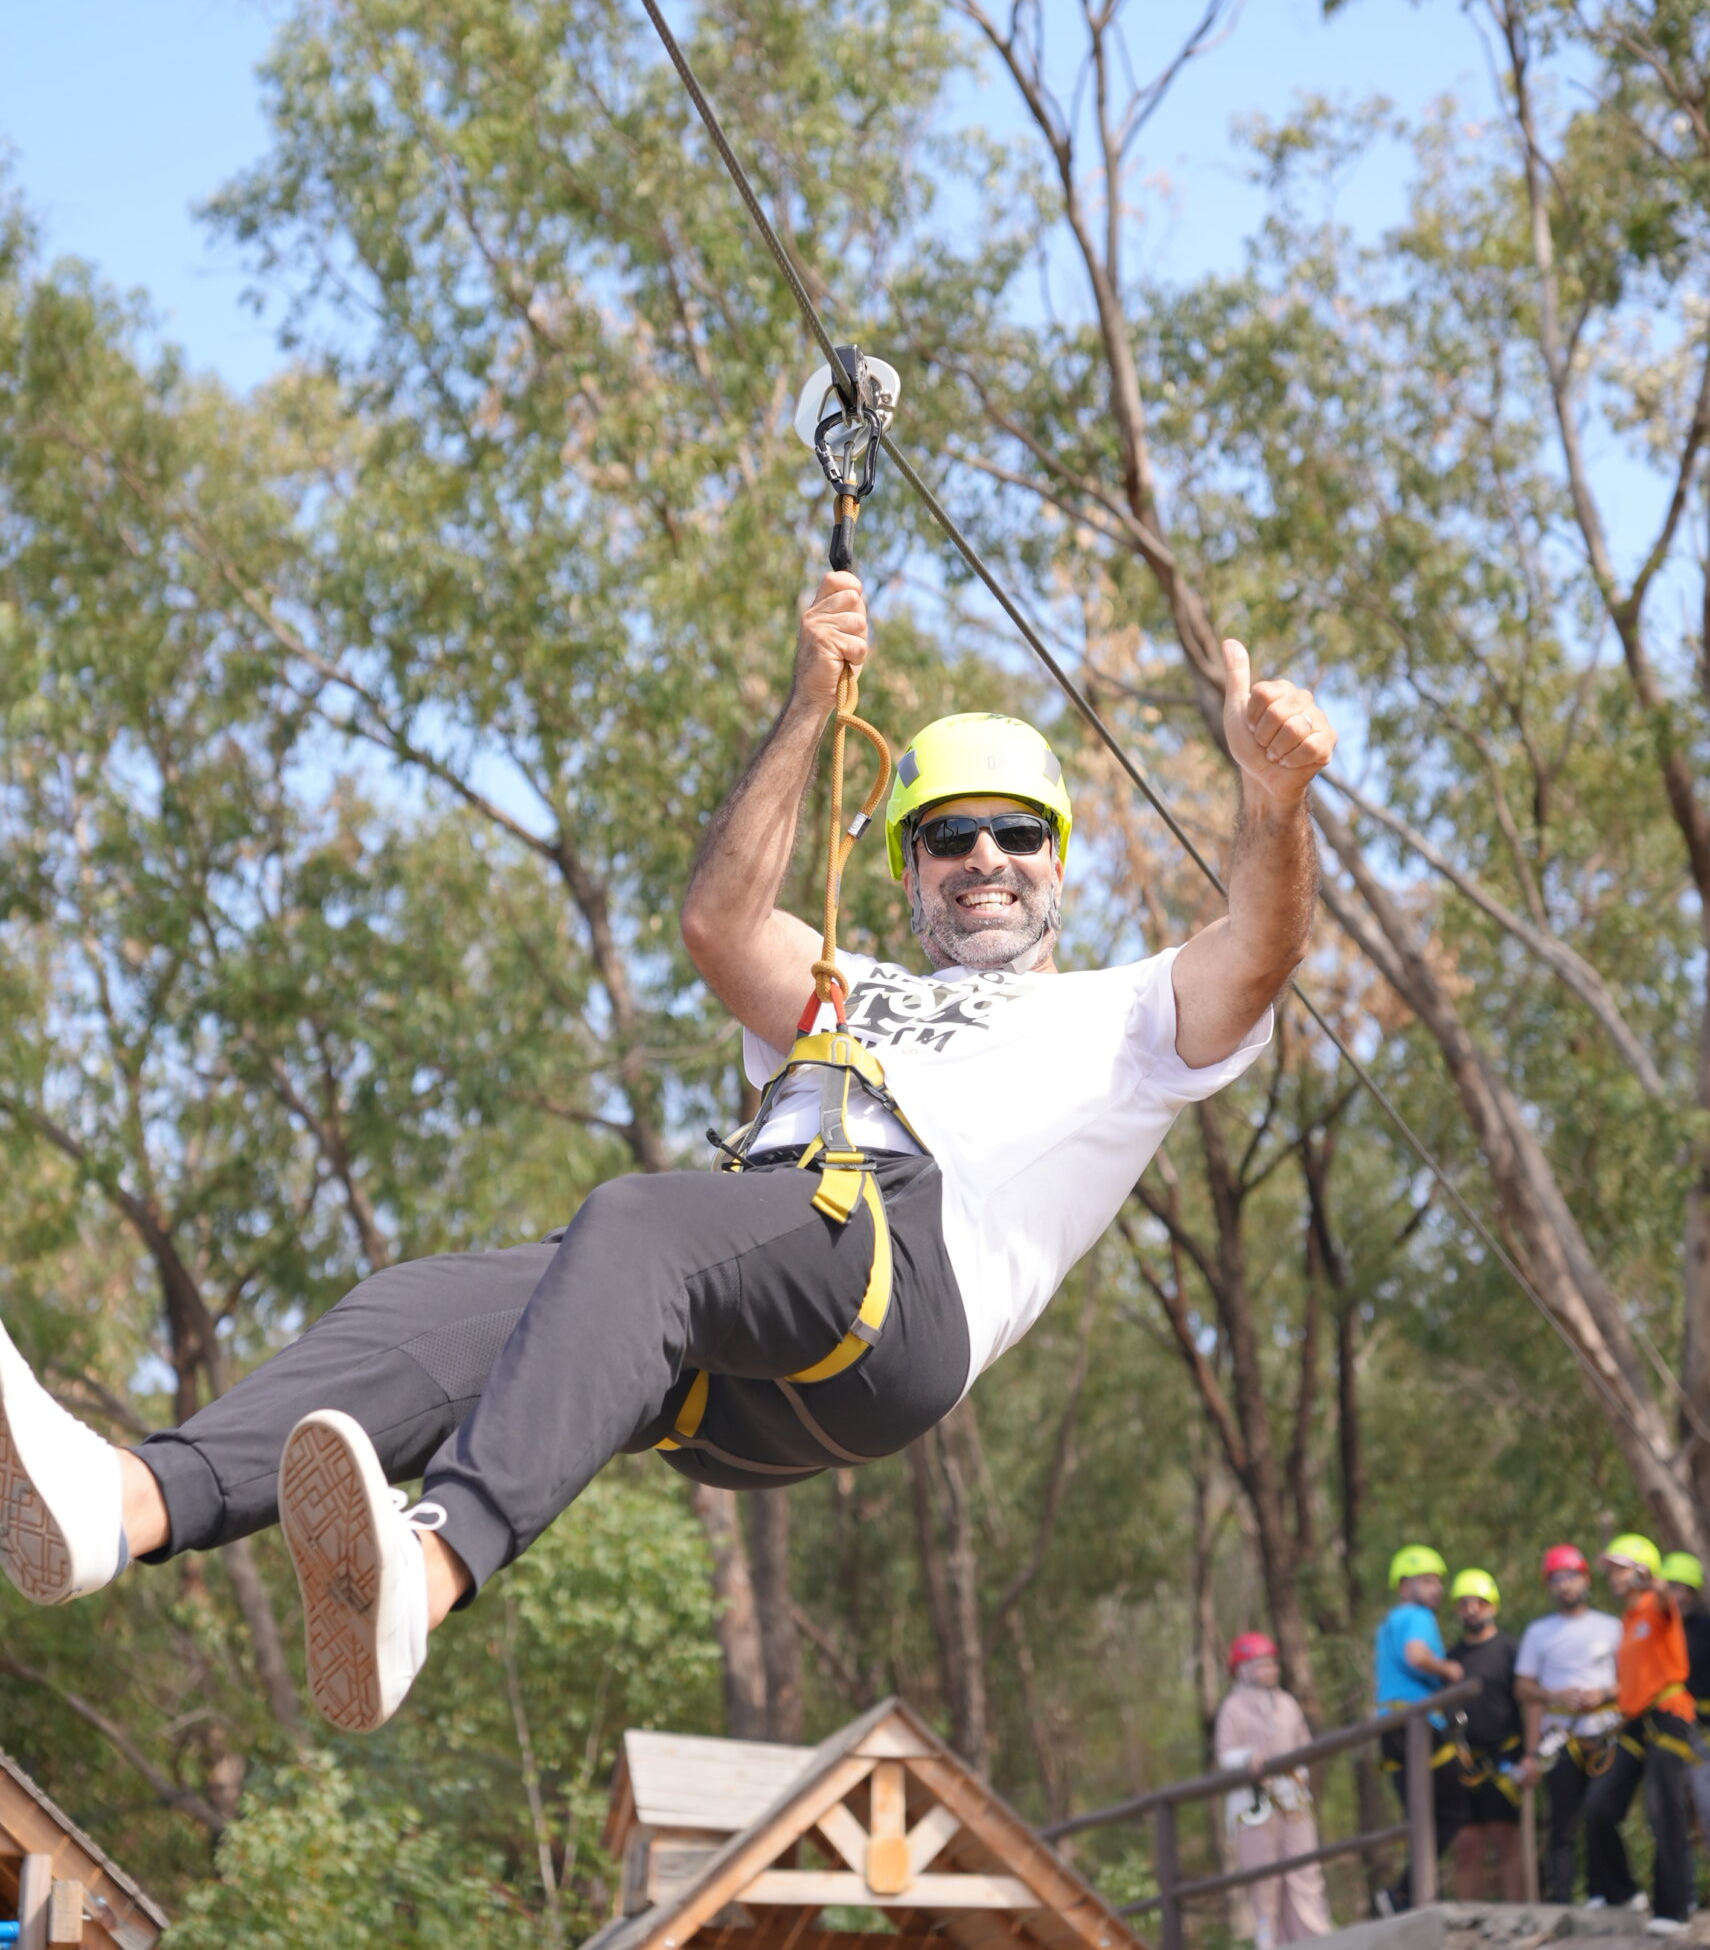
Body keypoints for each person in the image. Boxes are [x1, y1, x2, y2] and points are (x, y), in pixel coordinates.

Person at [0, 572, 1336, 1734]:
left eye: (1017, 834)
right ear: (909, 869)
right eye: (949, 836)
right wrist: (809, 705)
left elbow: (1261, 947)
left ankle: (434, 1567)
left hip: (907, 1290)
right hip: (738, 1349)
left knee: (644, 1220)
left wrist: (1272, 800)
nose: (985, 859)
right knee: (441, 1303)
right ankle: (128, 1503)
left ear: (1058, 860)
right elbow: (718, 921)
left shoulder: (1125, 1016)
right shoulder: (847, 984)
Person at [1583, 1534, 1694, 1936]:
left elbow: (1665, 1600)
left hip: (1667, 1713)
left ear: (1642, 1570)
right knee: (1599, 1805)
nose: (1613, 1576)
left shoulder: (1657, 1606)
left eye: (1621, 1568)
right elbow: (1635, 1680)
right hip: (1633, 1720)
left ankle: (1674, 1910)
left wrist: (1655, 1582)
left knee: (1664, 1810)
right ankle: (1621, 1892)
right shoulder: (1628, 1621)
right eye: (1611, 1570)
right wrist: (1605, 1695)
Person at [1514, 1542, 1623, 1904]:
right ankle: (1560, 1898)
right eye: (1556, 1579)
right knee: (1562, 1820)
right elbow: (1523, 1687)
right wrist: (1555, 1696)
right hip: (1560, 1735)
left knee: (1600, 1812)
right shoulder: (1539, 1632)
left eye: (1570, 1577)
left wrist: (1603, 1693)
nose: (1564, 1585)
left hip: (1605, 1733)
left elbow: (1631, 1681)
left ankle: (1601, 1892)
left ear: (1585, 1580)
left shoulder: (1611, 1627)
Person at [1215, 1632, 1333, 1948]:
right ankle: (1271, 1942)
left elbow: (1303, 1745)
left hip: (1293, 1799)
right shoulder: (1233, 1708)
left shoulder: (1287, 1703)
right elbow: (1225, 1754)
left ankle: (1314, 1936)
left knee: (1304, 1870)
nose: (1268, 1670)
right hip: (1253, 1805)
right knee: (1265, 1879)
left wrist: (1300, 1772)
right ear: (1242, 1670)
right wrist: (1247, 1758)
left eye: (1271, 1663)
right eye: (1260, 1664)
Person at [1375, 1544, 1465, 1911]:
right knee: (1452, 1810)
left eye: (1437, 1582)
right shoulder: (1417, 1616)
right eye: (1426, 1581)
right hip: (1417, 1725)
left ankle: (1411, 1896)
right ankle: (1409, 1893)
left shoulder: (1390, 1622)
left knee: (1422, 1814)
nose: (1436, 1589)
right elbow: (1416, 1655)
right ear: (1404, 1586)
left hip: (1392, 1727)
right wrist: (1449, 1669)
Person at [1445, 1569, 1526, 1901]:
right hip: (1464, 1760)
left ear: (1492, 1605)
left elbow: (1526, 1701)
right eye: (1464, 1603)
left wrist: (1530, 1754)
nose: (1472, 1609)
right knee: (1466, 1843)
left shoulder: (1510, 1649)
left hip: (1505, 1755)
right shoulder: (1451, 1659)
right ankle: (1468, 1919)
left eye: (1479, 1602)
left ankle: (1521, 1913)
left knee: (1506, 1838)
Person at [1658, 1553, 1710, 1862]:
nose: (1674, 1595)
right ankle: (1683, 1885)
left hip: (1702, 1731)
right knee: (1670, 1812)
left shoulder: (1704, 1628)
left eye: (1680, 1588)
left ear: (1691, 1591)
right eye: (1669, 1587)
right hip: (1669, 1730)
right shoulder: (1658, 1629)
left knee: (1706, 1805)